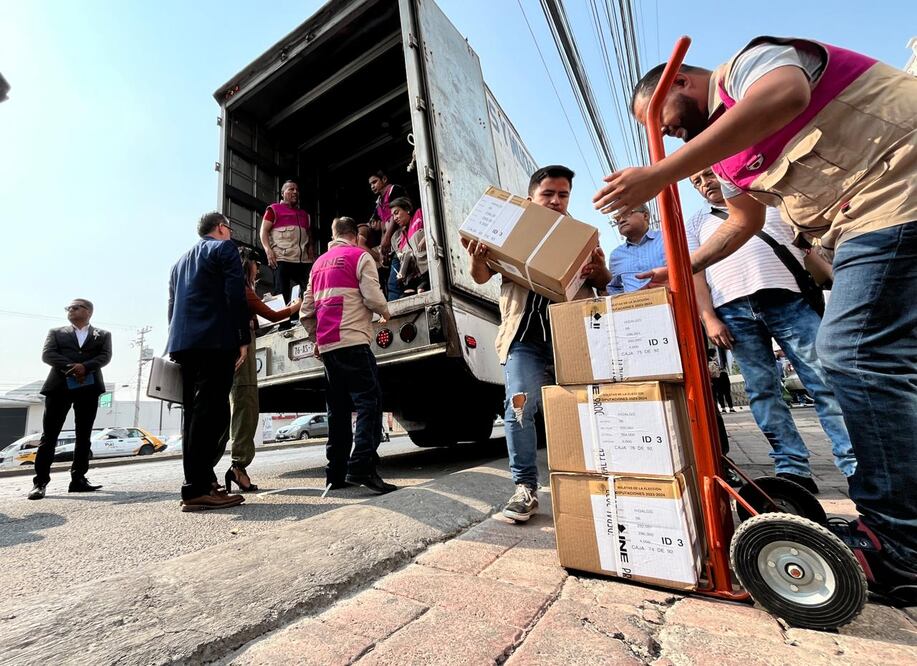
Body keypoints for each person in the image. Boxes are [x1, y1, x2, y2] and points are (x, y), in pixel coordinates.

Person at [595, 37, 917, 599]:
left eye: (661, 122)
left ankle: (902, 545)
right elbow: (741, 220)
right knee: (862, 361)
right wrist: (683, 267)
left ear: (679, 82)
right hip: (863, 221)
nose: (666, 136)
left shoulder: (748, 66)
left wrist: (661, 173)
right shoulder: (728, 156)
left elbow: (784, 95)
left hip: (897, 190)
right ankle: (886, 522)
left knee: (851, 356)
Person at [686, 168, 855, 492]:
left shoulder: (769, 200)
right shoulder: (696, 223)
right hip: (733, 312)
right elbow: (697, 275)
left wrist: (841, 285)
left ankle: (854, 464)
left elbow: (809, 252)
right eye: (696, 181)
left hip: (788, 301)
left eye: (708, 174)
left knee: (824, 382)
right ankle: (792, 467)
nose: (704, 183)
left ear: (724, 173)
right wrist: (709, 318)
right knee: (763, 391)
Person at [463, 165, 610, 522]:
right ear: (532, 197)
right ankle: (525, 489)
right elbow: (482, 275)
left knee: (584, 409)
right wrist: (478, 258)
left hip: (568, 338)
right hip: (523, 340)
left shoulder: (581, 237)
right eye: (549, 194)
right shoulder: (515, 230)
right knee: (518, 408)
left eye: (563, 195)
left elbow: (604, 282)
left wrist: (598, 269)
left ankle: (593, 484)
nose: (556, 201)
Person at [300, 216, 395, 494]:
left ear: (334, 234)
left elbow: (306, 312)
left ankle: (335, 474)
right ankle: (362, 465)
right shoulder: (359, 256)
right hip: (353, 340)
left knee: (337, 411)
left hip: (329, 348)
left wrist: (317, 337)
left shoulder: (317, 265)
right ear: (354, 235)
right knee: (369, 401)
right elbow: (373, 298)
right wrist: (386, 313)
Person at [168, 212, 250, 512]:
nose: (230, 232)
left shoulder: (179, 263)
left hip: (184, 343)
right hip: (215, 342)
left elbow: (172, 306)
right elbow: (234, 295)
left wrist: (177, 342)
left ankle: (200, 481)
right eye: (230, 226)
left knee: (194, 416)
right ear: (220, 228)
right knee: (213, 414)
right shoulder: (223, 248)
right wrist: (243, 338)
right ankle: (198, 489)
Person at [221, 248, 302, 493]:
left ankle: (238, 466)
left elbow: (256, 318)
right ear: (249, 265)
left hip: (233, 353)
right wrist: (296, 306)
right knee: (246, 409)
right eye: (257, 264)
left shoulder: (236, 288)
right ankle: (238, 466)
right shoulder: (241, 289)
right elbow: (274, 315)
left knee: (242, 408)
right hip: (240, 359)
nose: (259, 269)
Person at [27, 299, 112, 500]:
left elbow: (105, 357)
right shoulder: (56, 332)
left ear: (88, 311)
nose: (70, 310)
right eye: (68, 308)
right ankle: (40, 482)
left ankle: (79, 479)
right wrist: (73, 367)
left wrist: (86, 367)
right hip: (59, 388)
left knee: (84, 435)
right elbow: (48, 355)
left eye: (76, 307)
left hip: (89, 389)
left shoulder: (102, 334)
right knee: (49, 436)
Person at [260, 180, 314, 327]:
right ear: (283, 193)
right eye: (291, 189)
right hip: (282, 258)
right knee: (281, 291)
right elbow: (263, 231)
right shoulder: (273, 210)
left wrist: (310, 249)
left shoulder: (305, 215)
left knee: (311, 287)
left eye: (296, 189)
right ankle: (284, 325)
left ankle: (307, 318)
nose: (295, 192)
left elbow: (309, 234)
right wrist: (268, 250)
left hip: (303, 260)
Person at [606, 203, 664, 294]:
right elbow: (613, 287)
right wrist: (627, 303)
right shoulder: (616, 255)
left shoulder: (666, 239)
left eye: (626, 214)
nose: (621, 221)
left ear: (645, 215)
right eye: (617, 219)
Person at [367, 170, 407, 299]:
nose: (372, 186)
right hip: (393, 245)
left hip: (404, 241)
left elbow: (397, 215)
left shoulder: (395, 190)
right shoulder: (378, 201)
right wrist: (375, 224)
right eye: (370, 184)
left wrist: (386, 238)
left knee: (394, 284)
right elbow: (374, 221)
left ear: (384, 179)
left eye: (375, 182)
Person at [387, 196, 428, 298]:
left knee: (422, 290)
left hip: (429, 271)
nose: (395, 218)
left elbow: (437, 227)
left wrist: (427, 236)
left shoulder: (420, 214)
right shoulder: (400, 238)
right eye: (393, 215)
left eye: (397, 213)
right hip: (415, 278)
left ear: (407, 209)